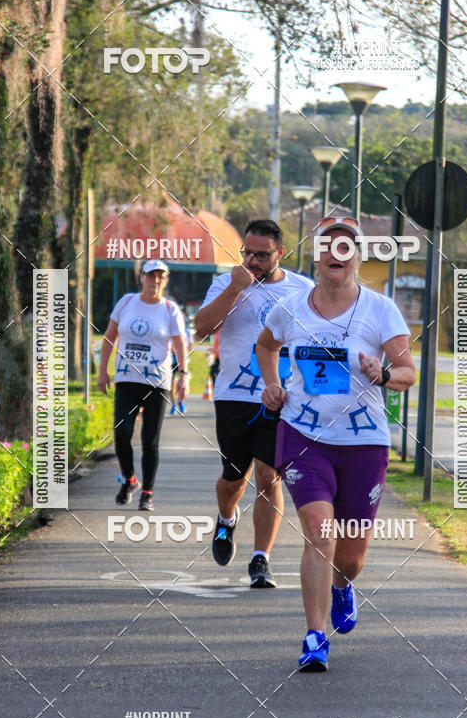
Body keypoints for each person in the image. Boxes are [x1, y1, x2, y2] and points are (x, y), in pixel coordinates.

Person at [256, 216, 415, 670]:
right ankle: (313, 637)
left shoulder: (380, 309)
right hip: (304, 436)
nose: (335, 255)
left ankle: (343, 586)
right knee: (320, 534)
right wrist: (272, 385)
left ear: (358, 258)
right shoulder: (291, 309)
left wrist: (382, 374)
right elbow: (266, 347)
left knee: (350, 556)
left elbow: (408, 372)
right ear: (317, 255)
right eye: (328, 246)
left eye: (346, 247)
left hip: (364, 443)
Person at [195, 219, 314, 588]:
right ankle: (226, 518)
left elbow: (313, 343)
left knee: (268, 475)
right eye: (247, 252)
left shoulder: (302, 290)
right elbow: (201, 329)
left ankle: (261, 558)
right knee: (234, 481)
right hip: (233, 396)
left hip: (281, 398)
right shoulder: (227, 281)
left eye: (261, 255)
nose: (252, 261)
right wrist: (235, 288)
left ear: (280, 253)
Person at [97, 260, 188, 511]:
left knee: (150, 441)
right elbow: (109, 337)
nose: (155, 281)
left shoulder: (170, 310)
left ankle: (147, 492)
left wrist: (183, 375)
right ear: (142, 278)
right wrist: (102, 370)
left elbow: (180, 345)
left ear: (165, 280)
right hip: (127, 380)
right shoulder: (127, 302)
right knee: (122, 433)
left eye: (160, 276)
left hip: (157, 383)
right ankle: (129, 479)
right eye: (150, 276)